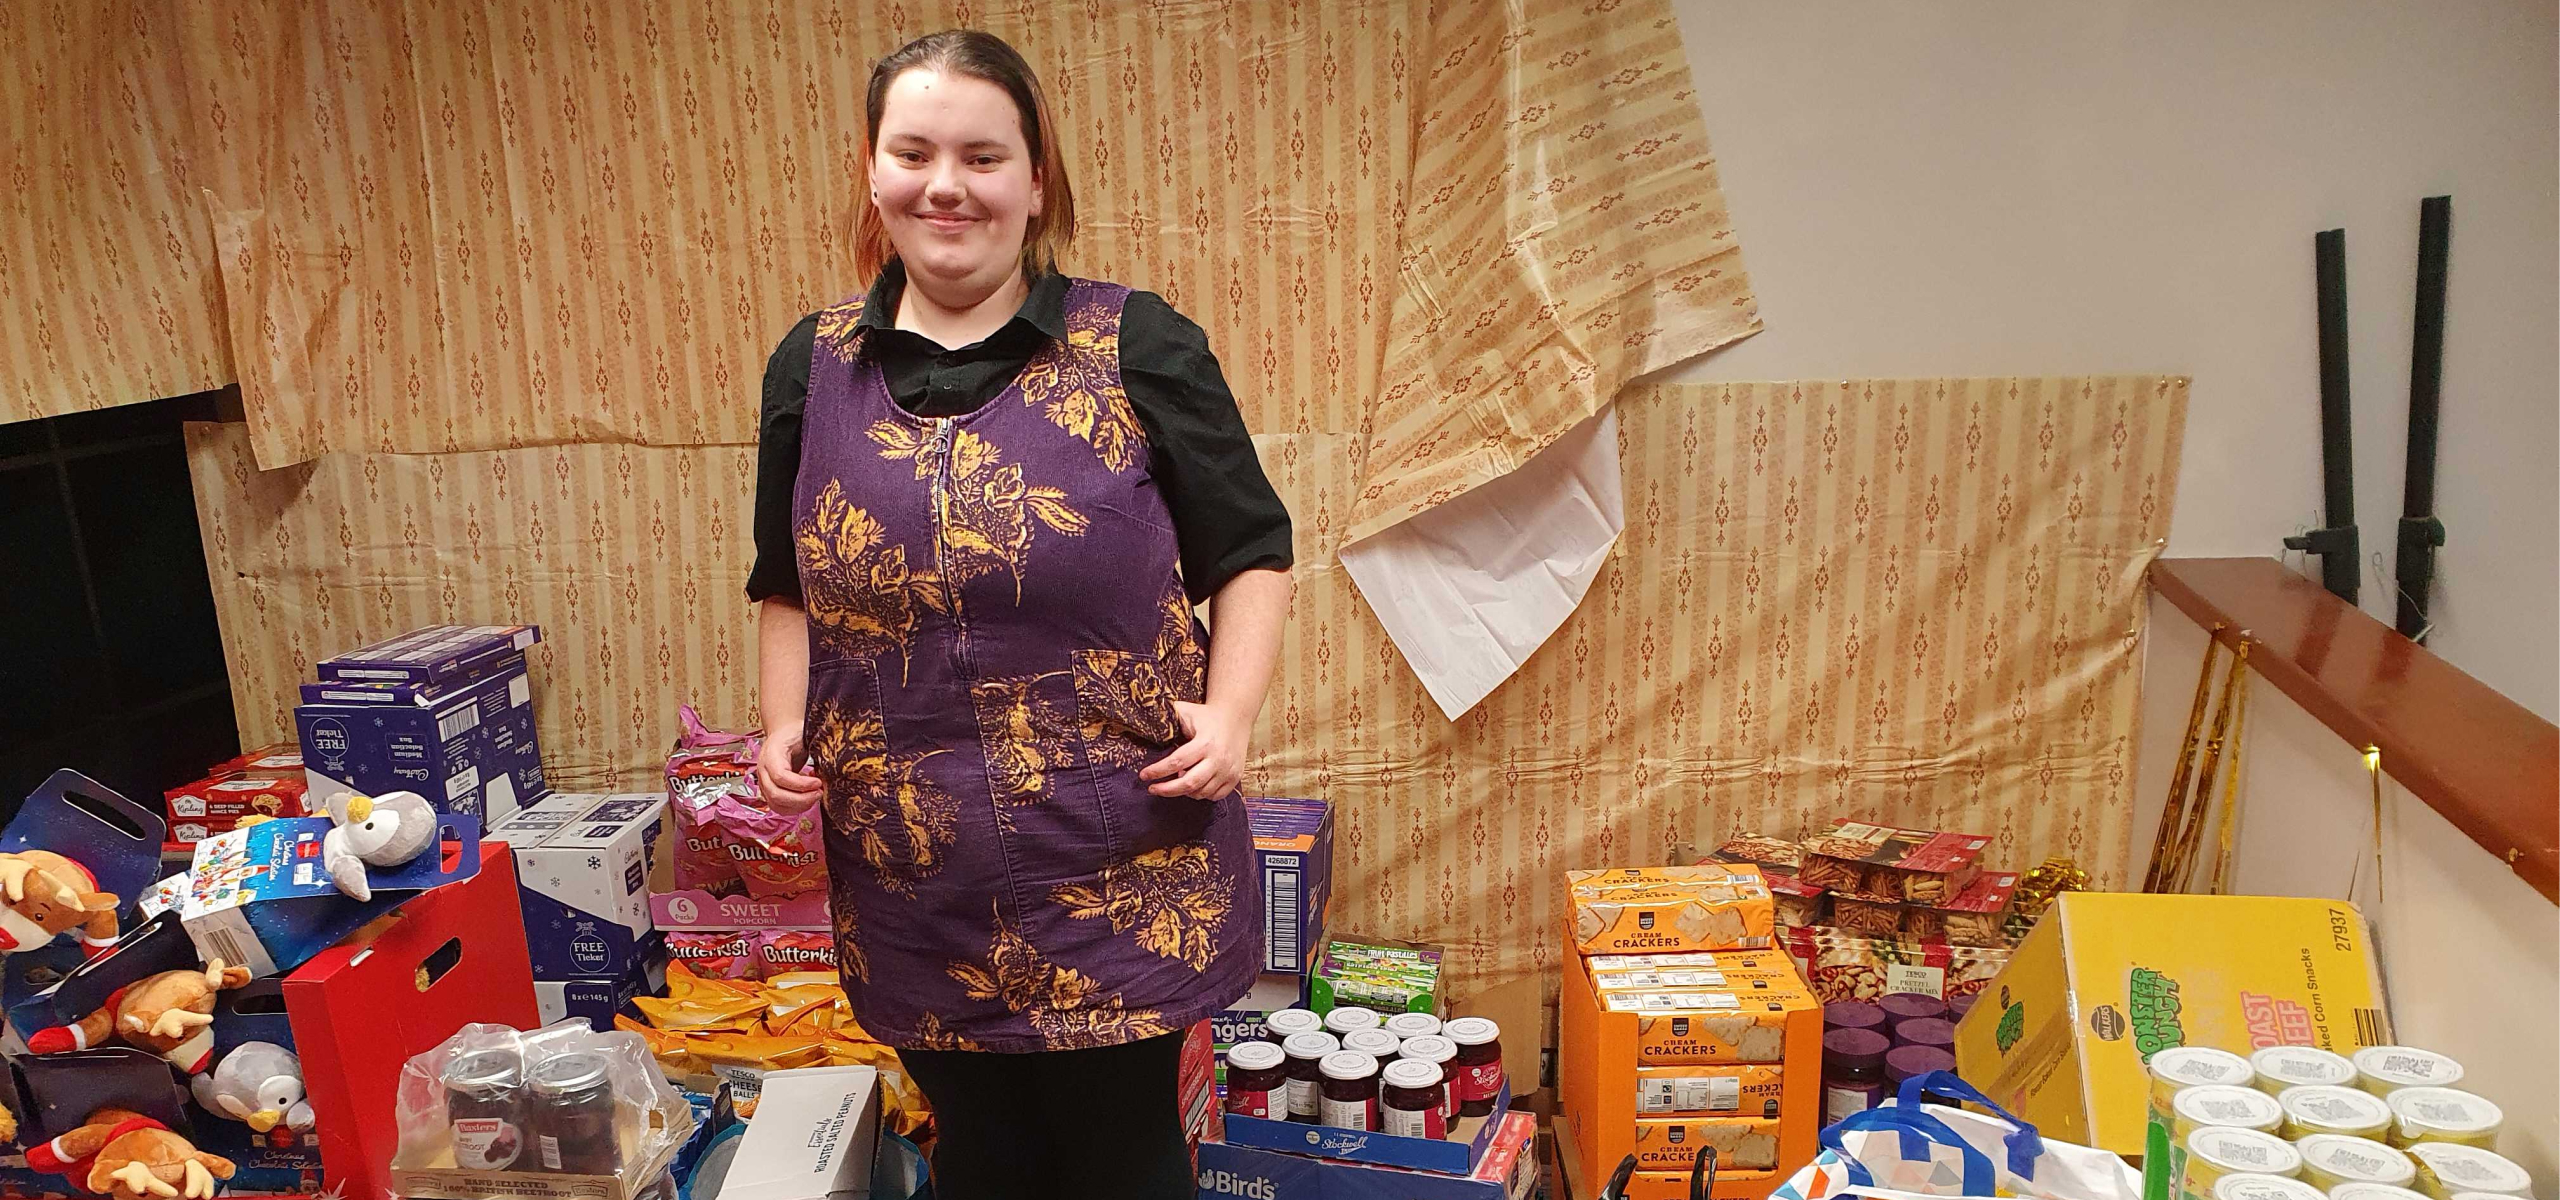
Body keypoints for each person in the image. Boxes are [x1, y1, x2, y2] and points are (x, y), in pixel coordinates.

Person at [745, 29, 1293, 1200]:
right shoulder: (813, 367)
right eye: (914, 153)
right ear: (872, 171)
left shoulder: (1136, 345)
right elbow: (783, 578)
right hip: (910, 875)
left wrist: (1233, 714)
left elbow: (1252, 550)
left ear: (1036, 181)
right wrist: (783, 720)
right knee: (984, 1155)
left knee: (1118, 1160)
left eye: (982, 157)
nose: (945, 185)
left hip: (1117, 858)